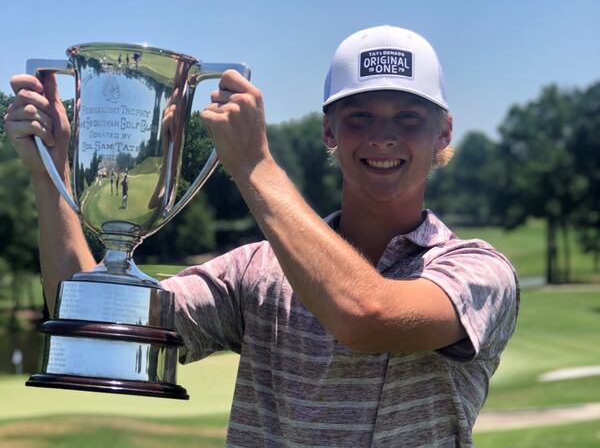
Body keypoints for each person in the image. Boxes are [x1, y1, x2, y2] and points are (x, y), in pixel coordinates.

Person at [4, 25, 518, 447]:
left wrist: (254, 165)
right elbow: (86, 322)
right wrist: (51, 175)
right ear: (329, 132)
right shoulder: (256, 271)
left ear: (443, 132)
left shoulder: (479, 270)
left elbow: (366, 314)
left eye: (409, 117)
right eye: (359, 116)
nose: (383, 136)